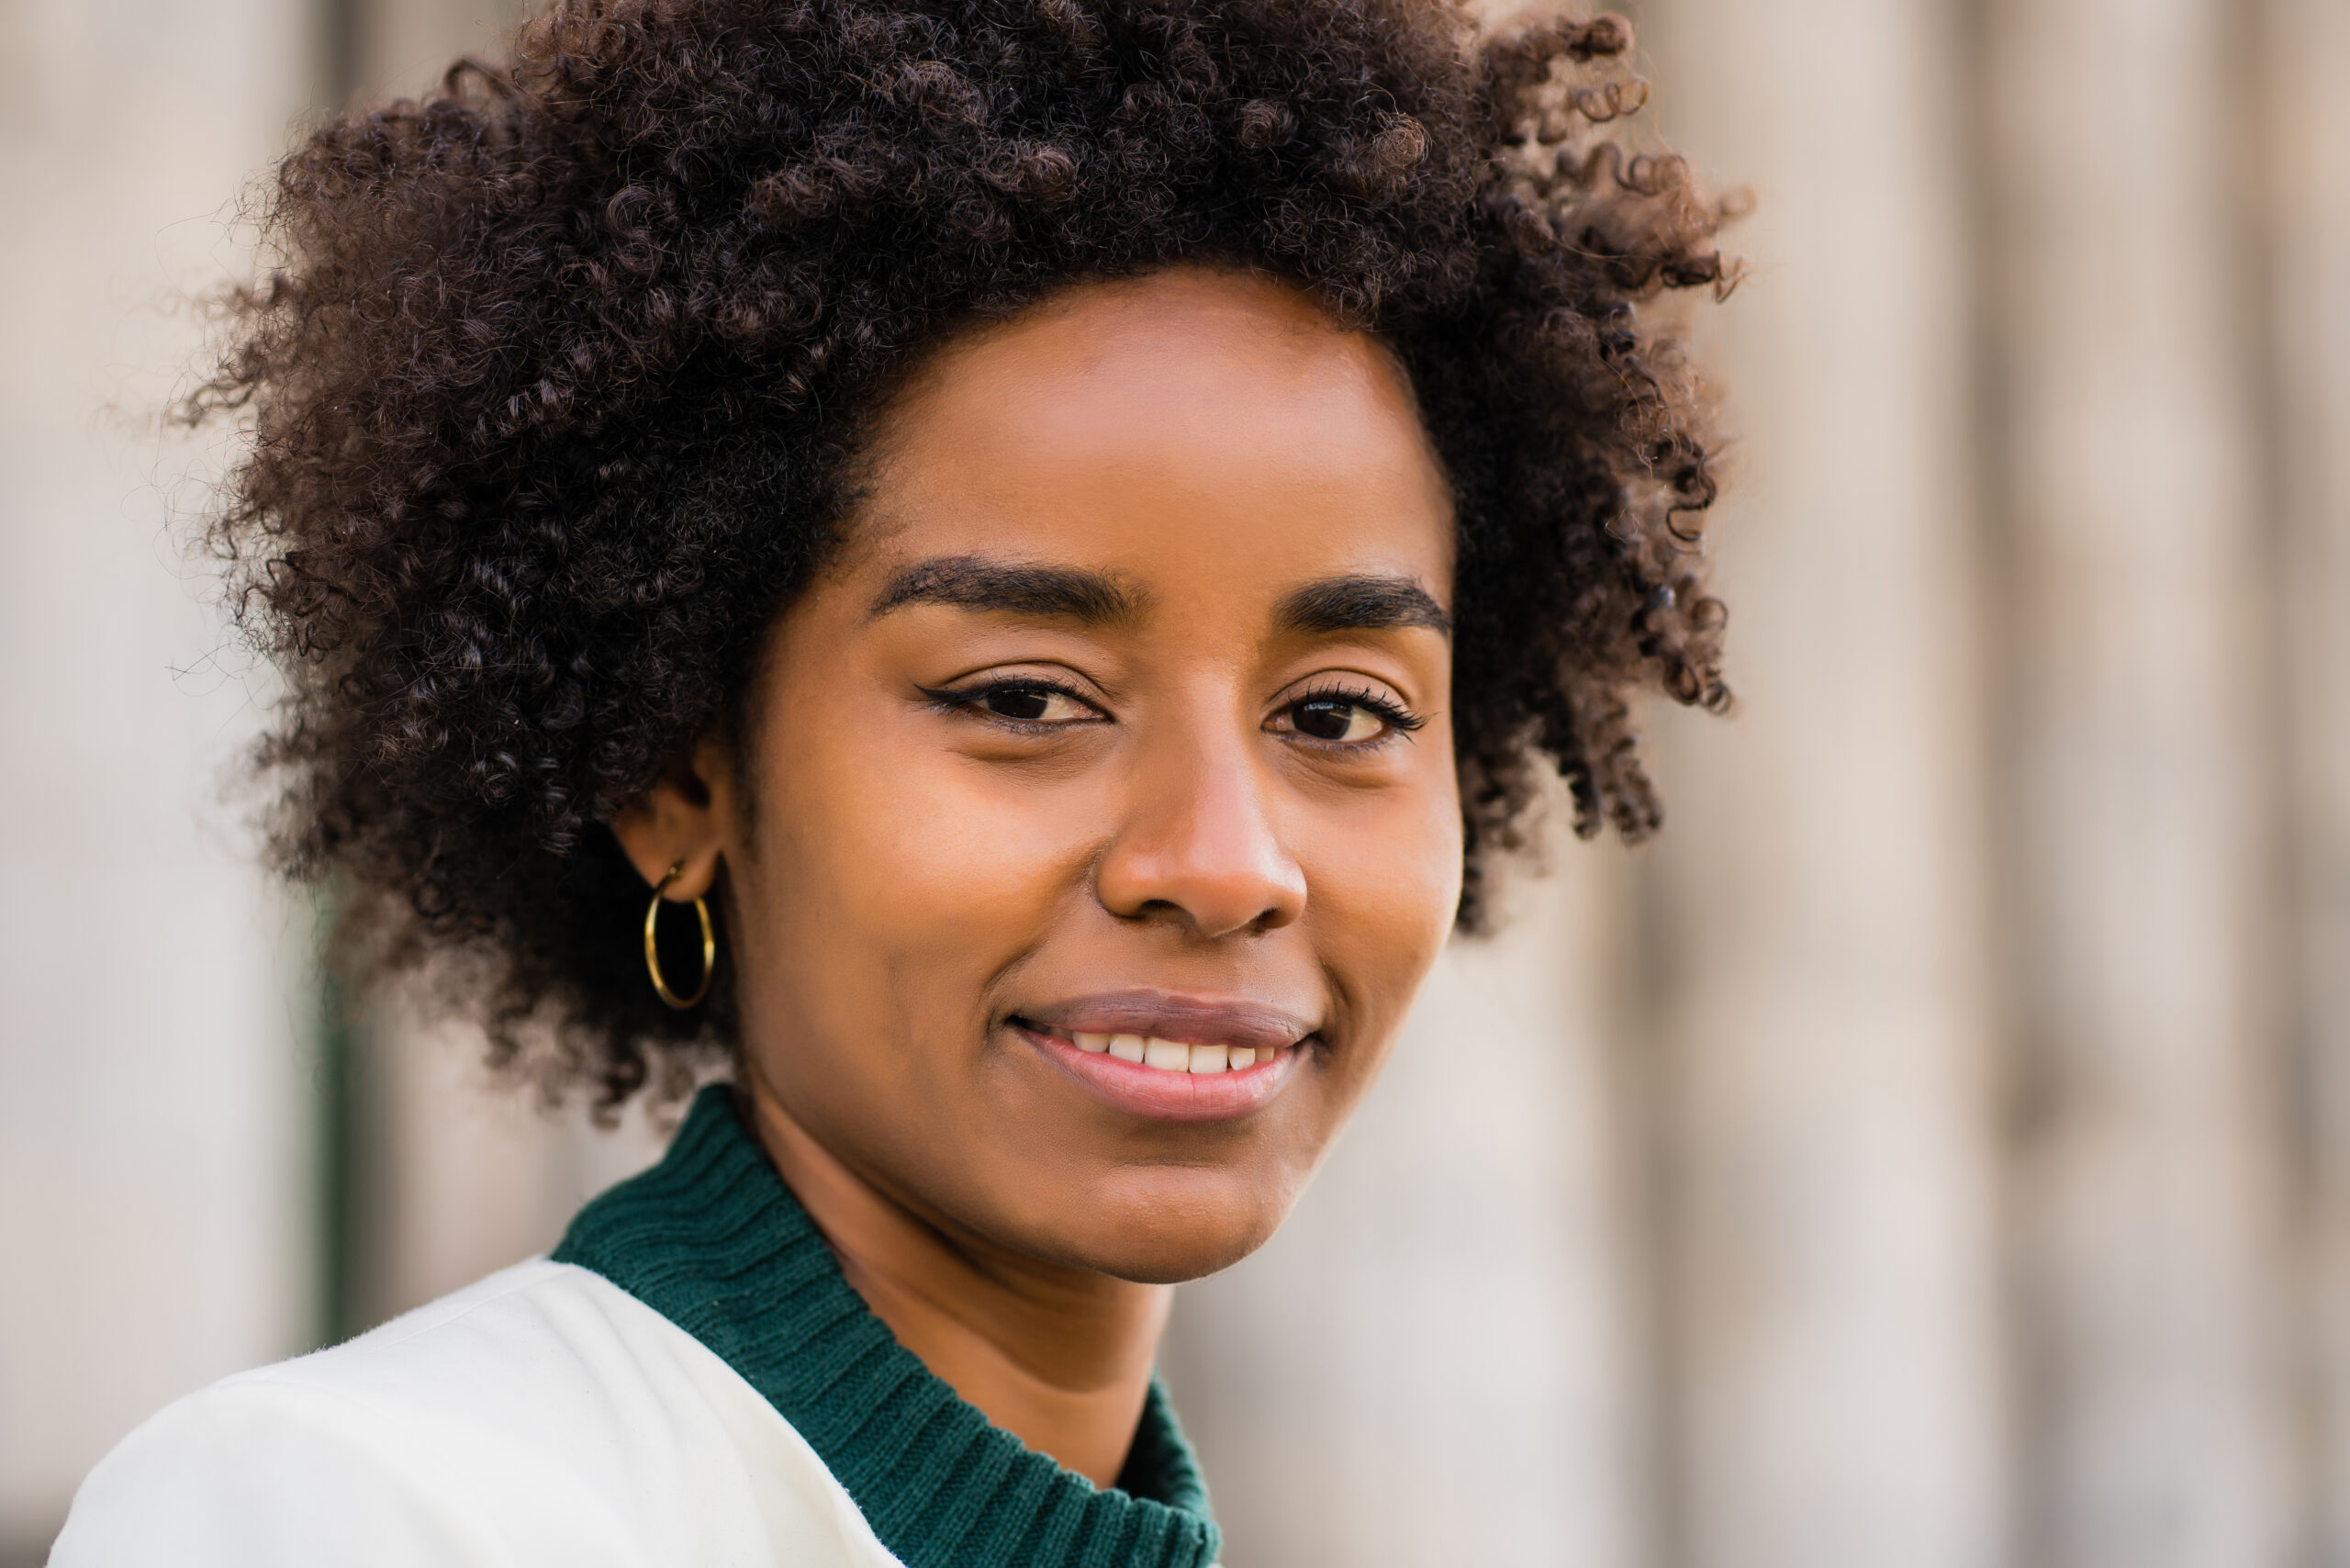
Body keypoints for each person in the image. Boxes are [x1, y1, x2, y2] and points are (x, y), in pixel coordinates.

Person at [51, 0, 1730, 1562]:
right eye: (1023, 694)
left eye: (1346, 715)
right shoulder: (357, 1516)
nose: (1226, 864)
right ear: (675, 779)